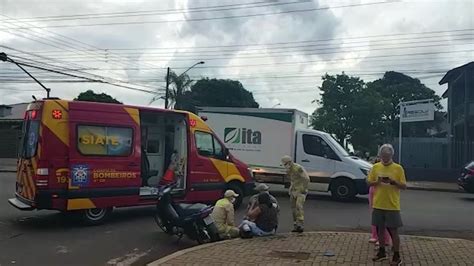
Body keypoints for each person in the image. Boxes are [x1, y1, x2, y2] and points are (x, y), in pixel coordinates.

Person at [367, 144, 406, 265]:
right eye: (383, 156)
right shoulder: (375, 167)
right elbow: (368, 182)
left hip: (392, 205)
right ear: (380, 155)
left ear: (391, 155)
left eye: (387, 156)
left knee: (393, 230)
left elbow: (404, 186)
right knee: (379, 229)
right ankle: (382, 251)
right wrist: (376, 182)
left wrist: (394, 182)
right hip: (378, 203)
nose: (384, 158)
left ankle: (396, 255)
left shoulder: (398, 168)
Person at [281, 155, 310, 233]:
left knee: (298, 206)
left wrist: (303, 188)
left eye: (285, 164)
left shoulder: (298, 168)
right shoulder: (289, 170)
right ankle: (295, 225)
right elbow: (292, 180)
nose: (285, 166)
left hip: (300, 191)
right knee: (293, 208)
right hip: (293, 190)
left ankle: (300, 224)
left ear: (289, 162)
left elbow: (306, 178)